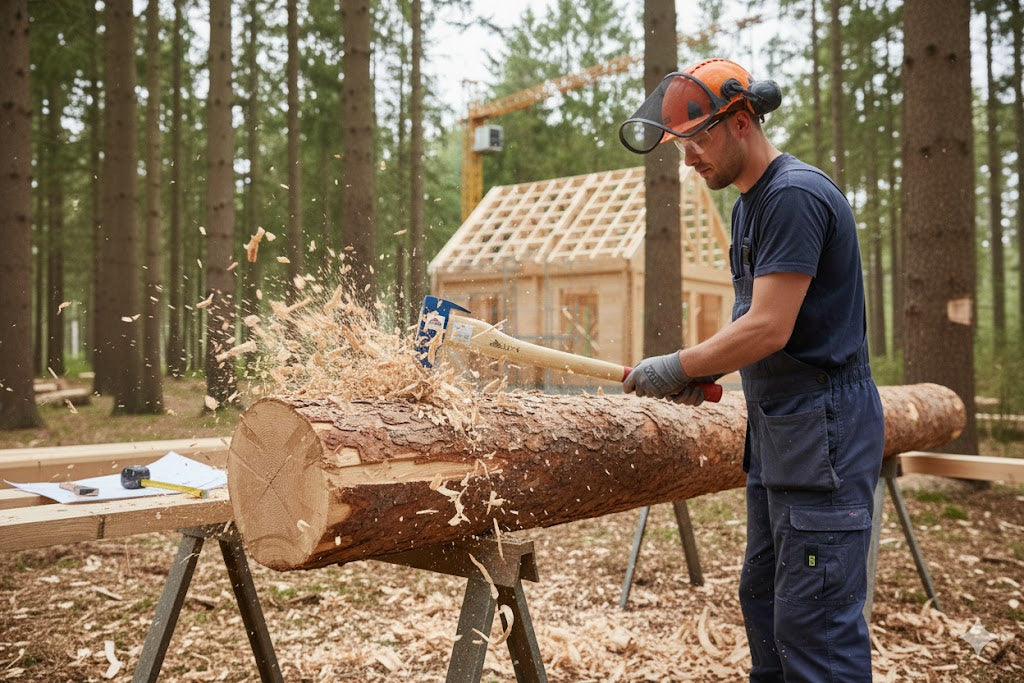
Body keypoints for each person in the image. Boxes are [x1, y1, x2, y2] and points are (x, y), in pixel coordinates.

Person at [618, 58, 884, 682]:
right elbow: (756, 330)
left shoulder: (793, 196)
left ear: (741, 122)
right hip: (781, 436)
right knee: (767, 608)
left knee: (815, 629)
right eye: (679, 147)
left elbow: (768, 326)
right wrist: (700, 371)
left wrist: (676, 364)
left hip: (824, 435)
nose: (688, 160)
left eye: (697, 141)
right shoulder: (749, 204)